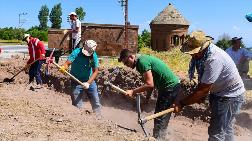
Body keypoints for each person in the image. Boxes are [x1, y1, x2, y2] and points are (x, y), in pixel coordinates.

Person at [173, 31, 245, 141]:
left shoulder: (214, 59)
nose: (192, 55)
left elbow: (203, 90)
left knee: (216, 132)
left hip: (229, 96)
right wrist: (200, 96)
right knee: (225, 128)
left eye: (194, 52)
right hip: (224, 92)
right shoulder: (204, 55)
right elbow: (204, 85)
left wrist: (182, 103)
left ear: (202, 48)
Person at [118, 49, 180, 139]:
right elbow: (150, 84)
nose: (127, 65)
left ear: (131, 57)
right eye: (125, 64)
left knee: (160, 115)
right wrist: (147, 99)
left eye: (127, 62)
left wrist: (132, 91)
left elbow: (150, 84)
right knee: (161, 114)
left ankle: (159, 138)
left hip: (169, 87)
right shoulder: (141, 62)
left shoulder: (142, 62)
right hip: (169, 87)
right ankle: (161, 135)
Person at [59, 40, 101, 114]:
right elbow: (67, 63)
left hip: (89, 81)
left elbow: (96, 71)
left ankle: (98, 117)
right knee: (77, 104)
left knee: (96, 102)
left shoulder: (93, 56)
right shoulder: (76, 52)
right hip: (76, 81)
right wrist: (64, 67)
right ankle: (80, 118)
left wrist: (88, 83)